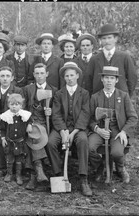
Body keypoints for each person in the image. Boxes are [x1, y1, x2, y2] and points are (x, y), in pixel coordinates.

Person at [46, 61, 92, 196]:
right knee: (50, 142)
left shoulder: (84, 93)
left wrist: (74, 132)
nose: (69, 78)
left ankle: (83, 178)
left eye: (72, 75)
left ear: (77, 75)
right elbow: (56, 114)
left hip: (78, 129)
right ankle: (58, 173)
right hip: (61, 128)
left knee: (83, 141)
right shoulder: (59, 94)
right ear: (64, 78)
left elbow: (85, 113)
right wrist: (62, 131)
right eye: (67, 76)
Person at [88, 66, 138, 184]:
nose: (109, 81)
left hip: (117, 130)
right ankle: (101, 166)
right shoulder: (95, 97)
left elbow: (133, 117)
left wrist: (124, 131)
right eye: (106, 78)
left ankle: (120, 168)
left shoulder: (123, 96)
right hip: (100, 129)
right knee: (89, 147)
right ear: (102, 79)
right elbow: (89, 118)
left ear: (116, 80)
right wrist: (98, 130)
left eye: (112, 78)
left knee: (116, 152)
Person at [23, 63, 57, 190]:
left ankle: (34, 173)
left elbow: (58, 112)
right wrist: (27, 123)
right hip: (31, 122)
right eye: (37, 73)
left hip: (47, 123)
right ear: (33, 75)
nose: (39, 76)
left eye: (42, 73)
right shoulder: (27, 89)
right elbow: (23, 109)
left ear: (47, 74)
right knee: (33, 133)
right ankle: (38, 171)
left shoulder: (53, 90)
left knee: (36, 135)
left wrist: (51, 111)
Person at [86, 24, 137, 97]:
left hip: (120, 99)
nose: (107, 41)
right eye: (104, 38)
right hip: (99, 99)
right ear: (100, 40)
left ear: (115, 39)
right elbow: (88, 81)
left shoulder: (124, 57)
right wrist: (93, 97)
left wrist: (126, 95)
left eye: (109, 38)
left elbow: (132, 78)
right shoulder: (94, 59)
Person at [0, 93, 33, 185]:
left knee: (19, 159)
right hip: (10, 142)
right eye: (12, 104)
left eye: (17, 104)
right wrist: (3, 139)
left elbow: (30, 120)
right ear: (8, 105)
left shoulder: (24, 115)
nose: (14, 107)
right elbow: (2, 128)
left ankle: (18, 175)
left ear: (21, 105)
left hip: (20, 142)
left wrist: (29, 125)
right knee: (9, 158)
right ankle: (9, 173)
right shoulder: (5, 116)